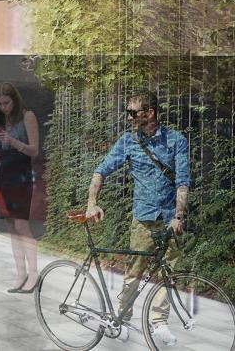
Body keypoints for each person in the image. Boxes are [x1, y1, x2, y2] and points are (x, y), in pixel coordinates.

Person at [86, 90, 190, 346]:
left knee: (170, 273)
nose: (129, 117)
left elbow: (183, 183)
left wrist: (179, 216)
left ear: (150, 113)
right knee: (135, 271)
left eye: (133, 113)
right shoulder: (128, 141)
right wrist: (91, 202)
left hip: (169, 219)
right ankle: (120, 319)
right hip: (143, 218)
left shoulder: (176, 140)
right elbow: (101, 170)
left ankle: (159, 322)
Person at [0, 81, 41, 293]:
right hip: (6, 174)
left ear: (14, 100)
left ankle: (34, 273)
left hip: (22, 175)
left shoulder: (27, 116)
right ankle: (20, 274)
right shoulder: (3, 119)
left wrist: (12, 141)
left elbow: (34, 150)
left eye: (6, 103)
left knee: (21, 225)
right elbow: (5, 148)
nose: (3, 107)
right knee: (10, 225)